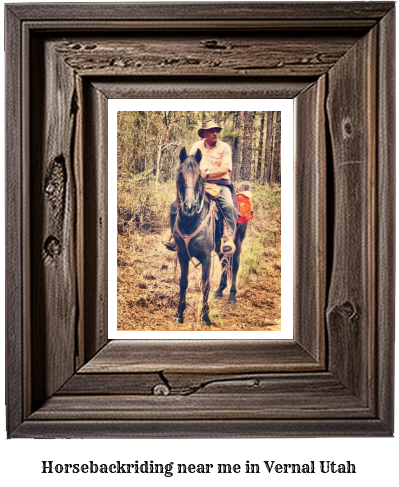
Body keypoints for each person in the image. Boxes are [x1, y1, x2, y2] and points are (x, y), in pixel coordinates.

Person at [164, 119, 239, 254]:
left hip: (220, 184)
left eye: (217, 131)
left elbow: (226, 168)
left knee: (228, 205)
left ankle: (227, 238)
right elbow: (190, 162)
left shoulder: (224, 147)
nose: (215, 133)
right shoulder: (197, 146)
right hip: (199, 184)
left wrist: (207, 173)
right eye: (211, 131)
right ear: (204, 133)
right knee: (174, 205)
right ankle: (174, 236)